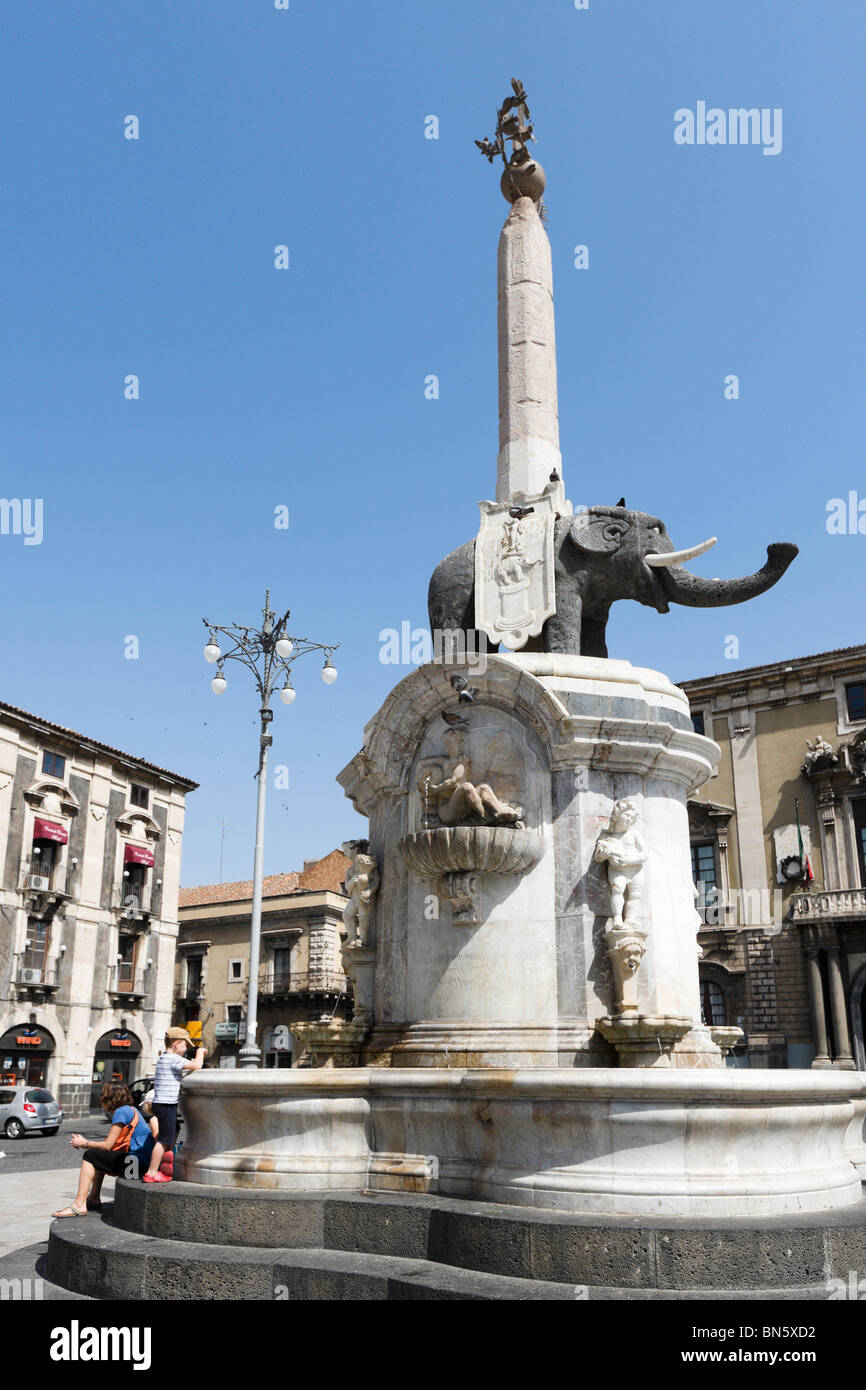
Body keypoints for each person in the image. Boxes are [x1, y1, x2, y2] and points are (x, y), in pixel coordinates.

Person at [51, 1082, 158, 1217]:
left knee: (90, 1155)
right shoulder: (131, 1109)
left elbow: (108, 1145)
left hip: (136, 1163)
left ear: (110, 1098)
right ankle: (93, 1198)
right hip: (143, 1162)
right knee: (99, 1156)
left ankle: (79, 1204)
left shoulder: (121, 1112)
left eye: (103, 1095)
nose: (100, 1099)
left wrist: (85, 1142)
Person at [142, 1027, 206, 1184]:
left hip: (161, 1103)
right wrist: (200, 1053)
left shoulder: (164, 1058)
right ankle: (151, 1172)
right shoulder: (173, 1059)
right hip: (166, 1104)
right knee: (163, 1140)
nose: (187, 1049)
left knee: (174, 1129)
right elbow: (196, 1066)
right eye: (186, 1045)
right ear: (177, 1044)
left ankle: (167, 1154)